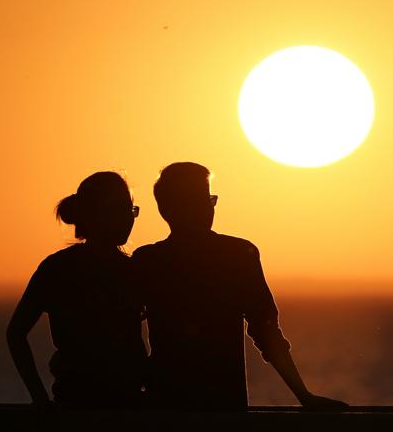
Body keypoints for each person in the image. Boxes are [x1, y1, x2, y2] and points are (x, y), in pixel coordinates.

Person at [131, 162, 346, 410]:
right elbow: (266, 331)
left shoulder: (149, 260)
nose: (206, 209)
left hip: (174, 406)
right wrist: (303, 396)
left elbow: (265, 330)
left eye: (208, 200)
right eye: (196, 200)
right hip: (217, 407)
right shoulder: (236, 255)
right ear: (167, 209)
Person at [6, 171, 146, 408]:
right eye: (120, 210)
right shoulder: (132, 271)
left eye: (130, 211)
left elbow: (16, 334)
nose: (128, 219)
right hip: (119, 405)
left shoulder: (56, 267)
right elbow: (15, 334)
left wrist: (40, 399)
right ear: (96, 215)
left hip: (77, 400)